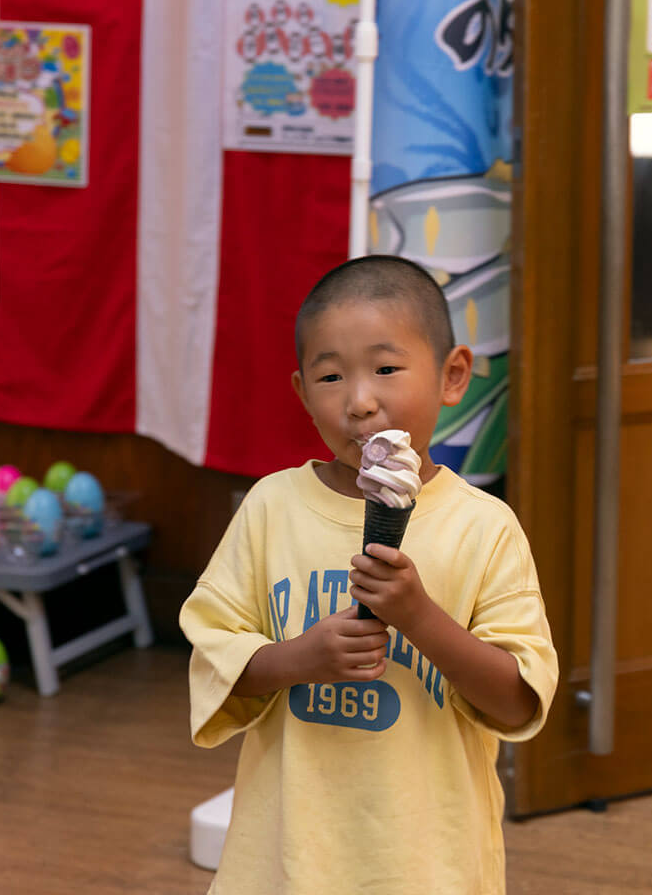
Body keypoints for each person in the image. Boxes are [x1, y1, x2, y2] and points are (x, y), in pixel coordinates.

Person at [180, 255, 558, 894]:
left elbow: (518, 700)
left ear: (453, 375)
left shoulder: (484, 529)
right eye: (331, 377)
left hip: (427, 867)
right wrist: (300, 657)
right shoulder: (271, 509)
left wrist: (420, 619)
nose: (360, 401)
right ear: (303, 392)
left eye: (386, 369)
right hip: (285, 864)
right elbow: (216, 662)